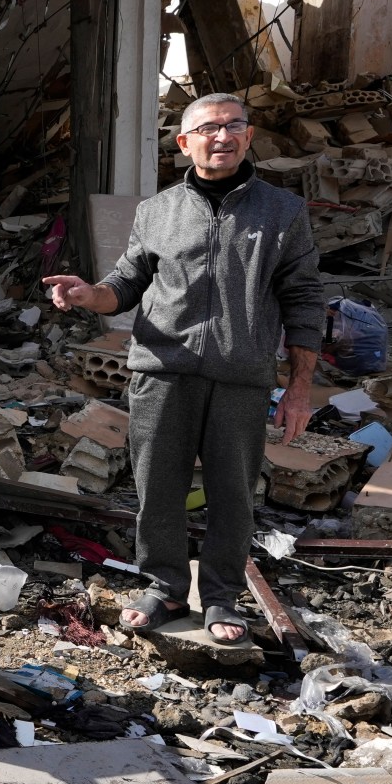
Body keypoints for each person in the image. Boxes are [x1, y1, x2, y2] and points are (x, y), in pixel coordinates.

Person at [40, 92, 322, 645]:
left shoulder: (282, 211)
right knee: (158, 487)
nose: (223, 137)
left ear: (249, 135)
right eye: (210, 128)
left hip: (241, 376)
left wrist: (299, 388)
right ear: (184, 142)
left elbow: (305, 299)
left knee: (233, 493)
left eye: (234, 126)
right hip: (163, 372)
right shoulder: (157, 211)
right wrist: (87, 294)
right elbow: (123, 287)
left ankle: (219, 596)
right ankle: (165, 587)